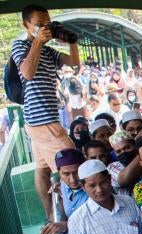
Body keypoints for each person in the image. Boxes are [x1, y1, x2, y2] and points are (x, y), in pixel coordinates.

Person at [12, 4, 80, 221]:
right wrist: (38, 41)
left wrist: (72, 42)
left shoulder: (49, 52)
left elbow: (75, 64)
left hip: (38, 122)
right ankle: (72, 215)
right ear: (26, 25)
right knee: (72, 162)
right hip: (44, 121)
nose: (45, 28)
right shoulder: (20, 46)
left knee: (41, 168)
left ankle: (51, 215)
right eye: (39, 25)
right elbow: (28, 73)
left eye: (47, 24)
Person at [39, 148, 87, 234]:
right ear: (59, 172)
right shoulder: (63, 185)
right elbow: (66, 211)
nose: (72, 179)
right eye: (66, 174)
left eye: (76, 172)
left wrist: (65, 225)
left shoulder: (93, 192)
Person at [107, 131, 137, 196]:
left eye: (127, 148)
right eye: (118, 151)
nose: (123, 153)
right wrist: (141, 153)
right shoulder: (112, 167)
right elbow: (124, 179)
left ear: (135, 146)